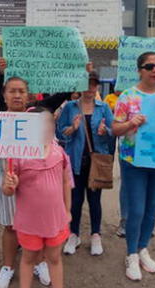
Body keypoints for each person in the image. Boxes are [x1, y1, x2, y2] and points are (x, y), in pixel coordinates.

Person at [112, 51, 155, 281]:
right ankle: (131, 254)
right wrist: (130, 123)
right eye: (149, 66)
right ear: (140, 70)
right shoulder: (127, 97)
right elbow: (115, 130)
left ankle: (143, 248)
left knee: (151, 207)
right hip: (133, 161)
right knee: (136, 209)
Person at [3, 107, 73, 288]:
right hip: (29, 222)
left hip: (55, 219)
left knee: (54, 258)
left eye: (50, 122)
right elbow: (8, 191)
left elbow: (66, 182)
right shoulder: (18, 155)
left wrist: (67, 210)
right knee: (28, 258)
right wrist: (10, 184)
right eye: (42, 123)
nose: (47, 126)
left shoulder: (59, 152)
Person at [0, 77, 51, 288]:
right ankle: (8, 267)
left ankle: (40, 262)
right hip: (4, 182)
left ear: (28, 95)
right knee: (10, 226)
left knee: (37, 227)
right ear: (4, 95)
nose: (17, 95)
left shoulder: (39, 120)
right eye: (12, 91)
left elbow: (50, 150)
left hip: (34, 184)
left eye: (21, 91)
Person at [57, 71, 114, 257]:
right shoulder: (70, 107)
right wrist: (72, 128)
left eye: (93, 85)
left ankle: (95, 235)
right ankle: (73, 234)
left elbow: (114, 131)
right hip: (74, 161)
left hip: (96, 162)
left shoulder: (104, 107)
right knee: (75, 201)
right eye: (87, 84)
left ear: (97, 86)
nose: (90, 89)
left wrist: (105, 131)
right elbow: (59, 133)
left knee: (95, 201)